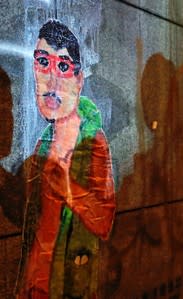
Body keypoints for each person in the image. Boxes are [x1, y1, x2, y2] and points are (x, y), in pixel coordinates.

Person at [15, 19, 116, 298]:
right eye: (42, 63)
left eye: (63, 66)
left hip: (71, 284)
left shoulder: (92, 142)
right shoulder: (42, 145)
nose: (52, 80)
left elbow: (104, 221)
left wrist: (68, 189)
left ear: (79, 80)